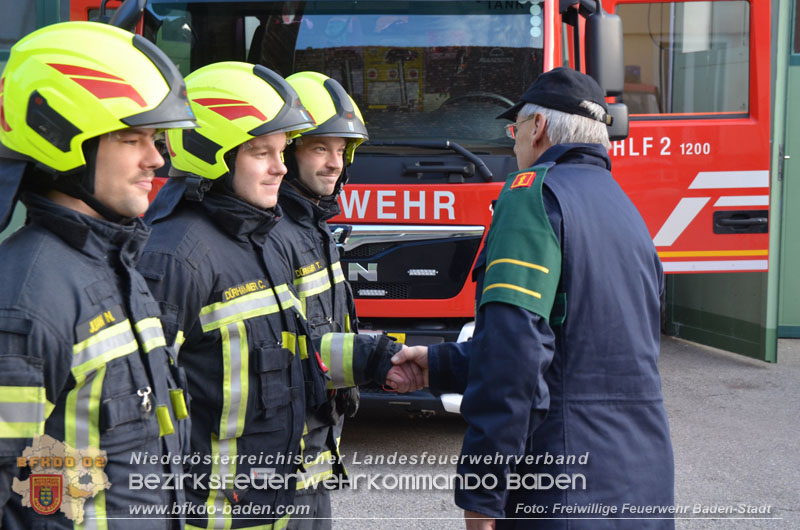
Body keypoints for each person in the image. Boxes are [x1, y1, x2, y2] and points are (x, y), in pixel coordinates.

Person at [137, 61, 421, 530]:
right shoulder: (176, 257)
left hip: (286, 489)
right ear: (212, 152)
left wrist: (376, 358)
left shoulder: (255, 236)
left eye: (281, 150)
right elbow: (141, 414)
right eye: (261, 152)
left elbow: (290, 350)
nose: (281, 167)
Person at [391, 67, 675, 529]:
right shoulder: (625, 209)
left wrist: (483, 493)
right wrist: (439, 364)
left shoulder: (533, 197)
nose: (514, 144)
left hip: (563, 487)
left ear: (538, 127)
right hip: (643, 484)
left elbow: (515, 359)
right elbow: (581, 353)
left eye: (515, 130)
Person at [0, 22, 197, 529]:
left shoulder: (118, 267)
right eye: (132, 139)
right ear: (62, 140)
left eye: (156, 140)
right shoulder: (25, 301)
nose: (157, 160)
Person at [262, 72, 367, 530]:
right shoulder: (274, 234)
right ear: (288, 152)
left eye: (342, 151)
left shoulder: (314, 227)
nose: (334, 164)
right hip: (285, 456)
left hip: (316, 448)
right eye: (320, 148)